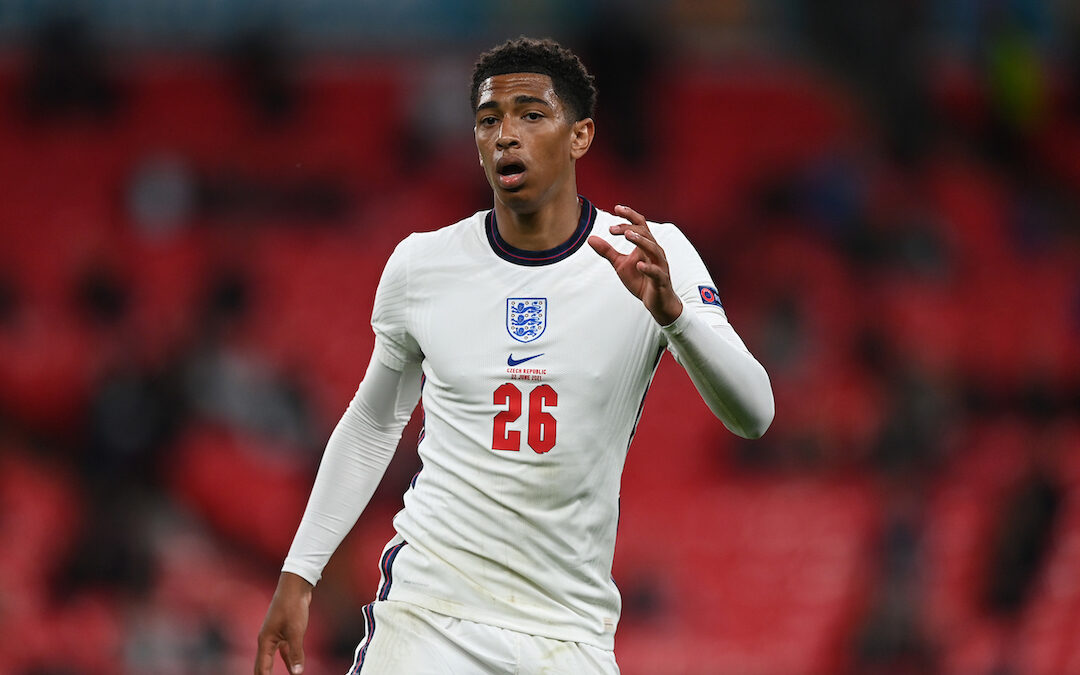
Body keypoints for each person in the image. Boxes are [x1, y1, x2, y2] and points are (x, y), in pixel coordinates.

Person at [255, 36, 774, 675]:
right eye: (489, 119)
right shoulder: (423, 265)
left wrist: (676, 319)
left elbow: (756, 414)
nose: (506, 135)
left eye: (531, 114)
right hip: (429, 615)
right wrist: (299, 573)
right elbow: (373, 423)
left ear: (580, 135)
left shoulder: (647, 252)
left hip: (567, 630)